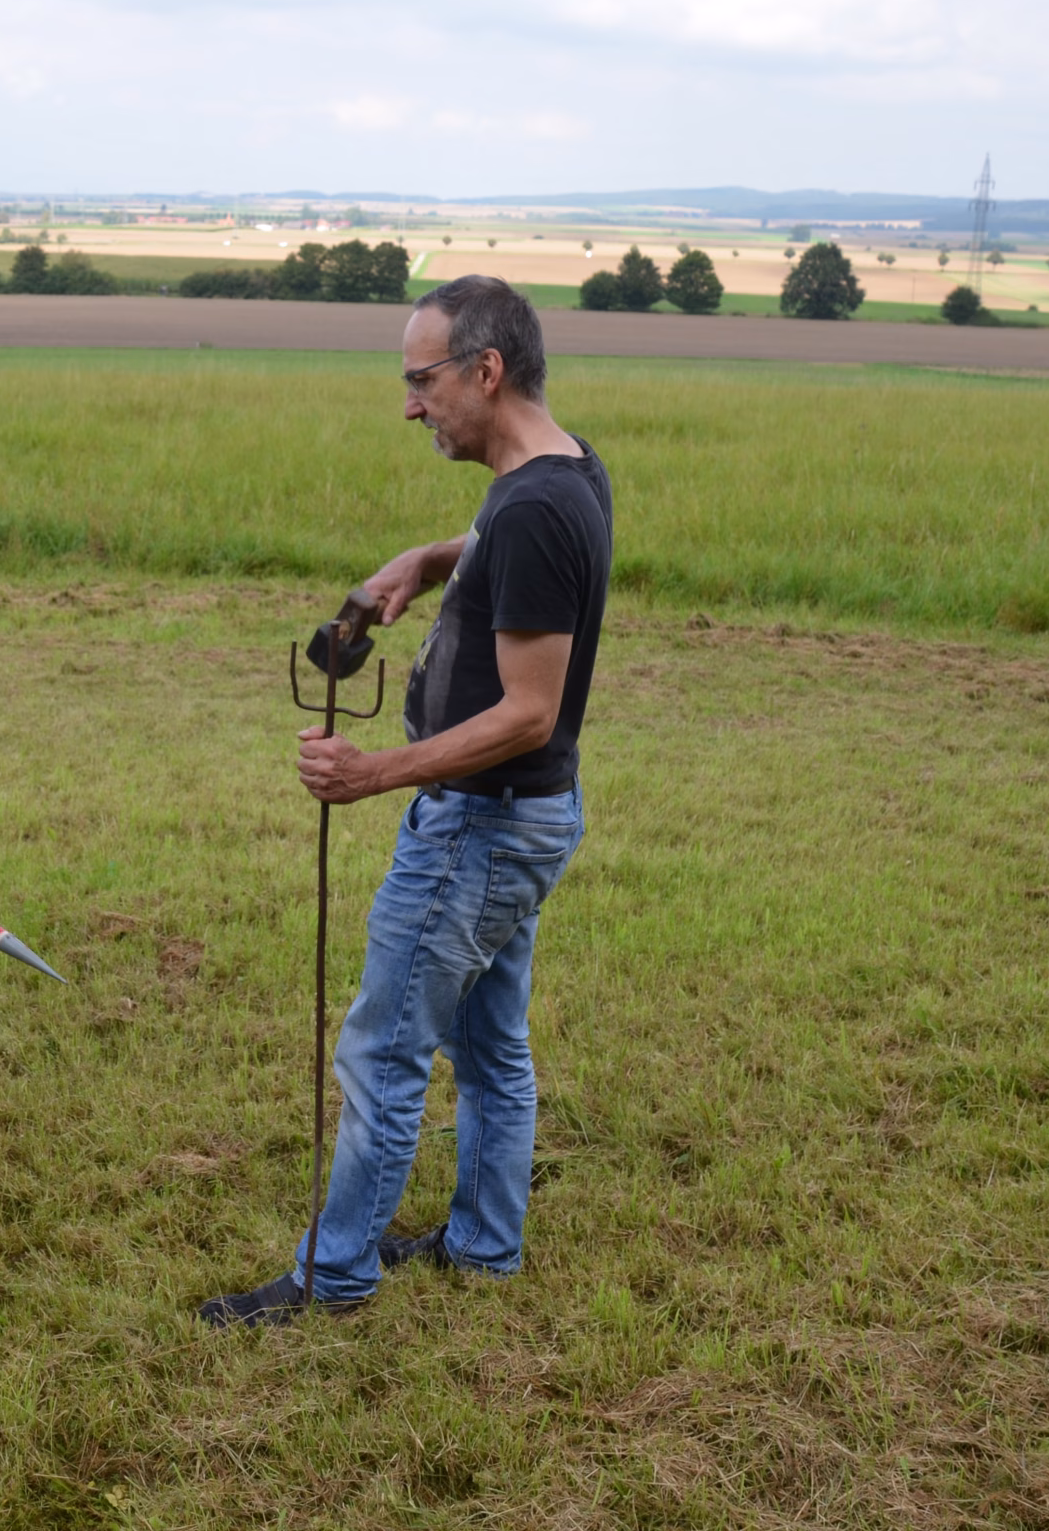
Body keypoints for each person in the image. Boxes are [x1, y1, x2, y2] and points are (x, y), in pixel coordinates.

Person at [200, 275, 613, 1328]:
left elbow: (529, 710)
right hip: (520, 820)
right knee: (488, 1044)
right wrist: (424, 564)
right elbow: (500, 551)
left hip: (478, 826)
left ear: (485, 370)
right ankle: (482, 1242)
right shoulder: (561, 471)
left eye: (421, 380)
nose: (409, 405)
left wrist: (374, 771)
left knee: (383, 1049)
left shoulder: (534, 509)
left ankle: (332, 1275)